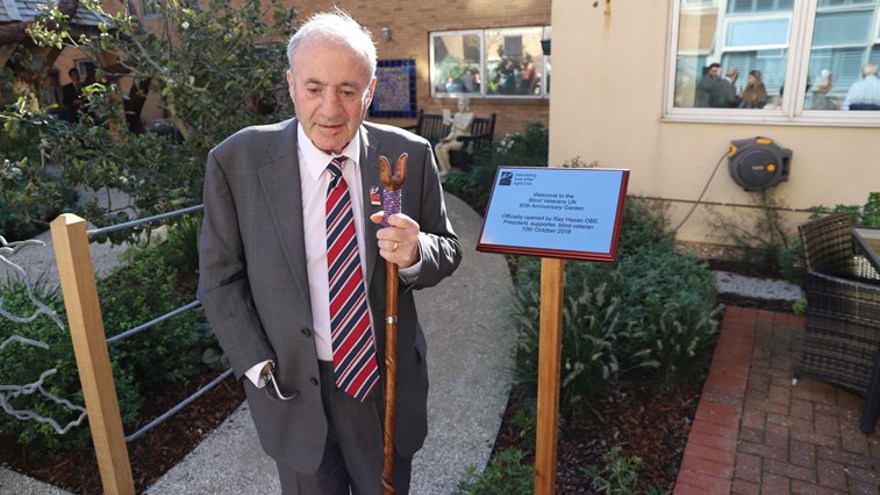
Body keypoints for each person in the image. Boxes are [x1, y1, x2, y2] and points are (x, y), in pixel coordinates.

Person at [198, 9, 461, 495]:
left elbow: (448, 248)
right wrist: (256, 367)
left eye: (347, 89)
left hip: (382, 382)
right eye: (314, 88)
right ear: (291, 84)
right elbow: (219, 281)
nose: (331, 109)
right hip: (293, 387)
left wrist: (417, 251)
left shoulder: (409, 155)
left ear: (370, 90)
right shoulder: (236, 160)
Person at [433, 95, 474, 178]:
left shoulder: (470, 115)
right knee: (438, 146)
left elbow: (464, 128)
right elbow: (453, 131)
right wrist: (447, 138)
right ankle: (445, 169)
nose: (460, 107)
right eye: (459, 105)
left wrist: (453, 121)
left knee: (444, 148)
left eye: (462, 105)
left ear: (466, 105)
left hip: (463, 140)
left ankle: (447, 170)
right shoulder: (457, 115)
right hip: (454, 139)